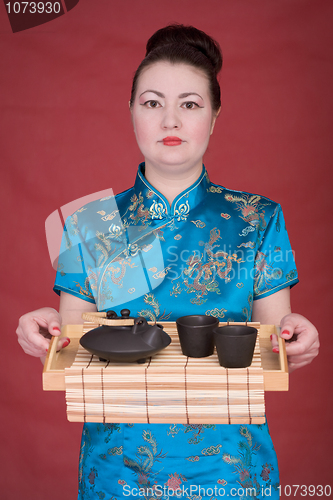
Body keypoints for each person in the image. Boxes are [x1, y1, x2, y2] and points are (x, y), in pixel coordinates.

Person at [17, 25, 319, 499]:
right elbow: (76, 345)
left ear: (215, 117)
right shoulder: (94, 224)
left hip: (231, 469)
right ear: (132, 112)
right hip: (118, 471)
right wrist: (48, 329)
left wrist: (295, 337)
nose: (170, 121)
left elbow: (273, 346)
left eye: (190, 104)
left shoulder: (258, 219)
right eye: (153, 103)